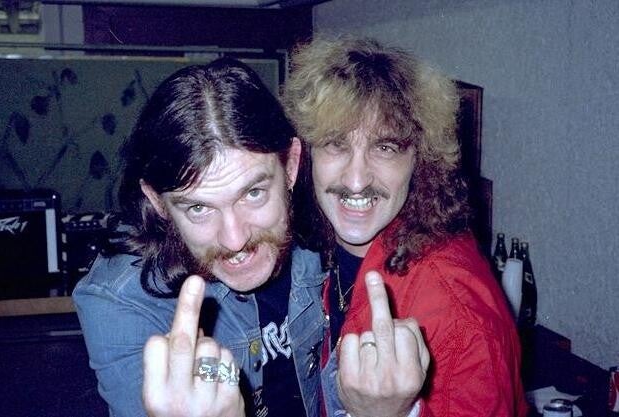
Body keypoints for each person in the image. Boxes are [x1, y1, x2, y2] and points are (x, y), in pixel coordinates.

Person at [284, 37, 528, 417]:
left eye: (385, 148)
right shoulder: (331, 250)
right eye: (335, 143)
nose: (356, 180)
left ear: (421, 159)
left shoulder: (457, 313)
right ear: (307, 154)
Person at [73, 58, 327, 417]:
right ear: (157, 202)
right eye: (198, 208)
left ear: (291, 165)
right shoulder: (121, 300)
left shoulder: (328, 228)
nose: (234, 240)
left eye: (253, 193)